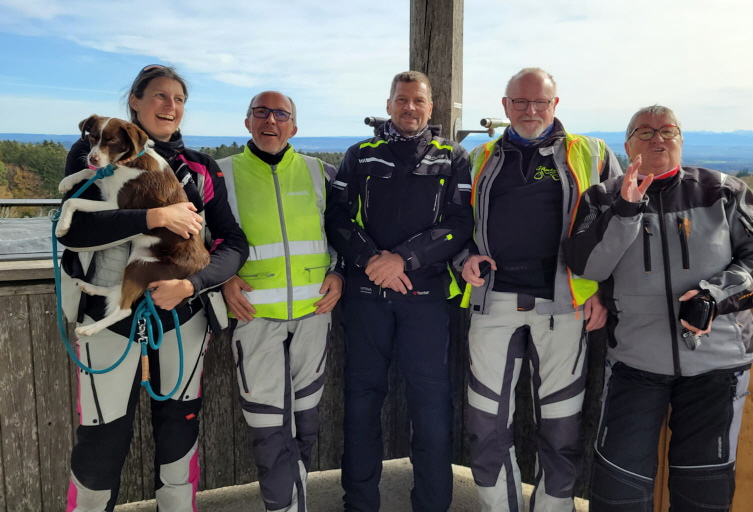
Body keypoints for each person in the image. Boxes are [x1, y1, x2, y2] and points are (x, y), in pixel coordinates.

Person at [562, 105, 753, 511]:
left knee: (704, 490)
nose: (658, 139)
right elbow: (586, 264)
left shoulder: (724, 190)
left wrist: (714, 297)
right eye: (645, 132)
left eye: (668, 131)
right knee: (618, 487)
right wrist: (626, 211)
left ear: (681, 140)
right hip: (634, 363)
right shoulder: (602, 197)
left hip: (717, 364)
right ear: (628, 145)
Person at [58, 65, 248, 512]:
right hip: (106, 315)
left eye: (179, 99)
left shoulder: (200, 167)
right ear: (135, 102)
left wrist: (191, 284)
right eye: (160, 95)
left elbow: (233, 242)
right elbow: (74, 231)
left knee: (179, 427)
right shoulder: (92, 150)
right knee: (102, 434)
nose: (170, 106)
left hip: (182, 312)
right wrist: (154, 217)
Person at [458, 67, 621, 512]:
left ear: (555, 104)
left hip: (564, 304)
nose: (531, 110)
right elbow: (456, 224)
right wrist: (463, 257)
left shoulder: (592, 152)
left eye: (540, 102)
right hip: (494, 302)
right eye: (520, 102)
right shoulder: (479, 157)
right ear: (505, 105)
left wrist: (603, 291)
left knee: (561, 427)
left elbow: (620, 226)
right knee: (485, 424)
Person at [326, 71, 474, 511]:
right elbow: (336, 217)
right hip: (366, 297)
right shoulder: (360, 155)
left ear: (431, 107)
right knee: (361, 405)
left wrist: (404, 259)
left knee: (431, 408)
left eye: (418, 101)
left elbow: (461, 223)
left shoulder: (453, 157)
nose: (410, 108)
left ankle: (432, 504)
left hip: (425, 301)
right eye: (402, 100)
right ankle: (359, 505)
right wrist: (374, 261)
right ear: (389, 104)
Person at [219, 91, 343, 511]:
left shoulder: (319, 172)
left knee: (306, 424)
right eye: (261, 112)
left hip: (313, 317)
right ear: (247, 121)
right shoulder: (221, 175)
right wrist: (223, 280)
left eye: (280, 114)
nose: (270, 120)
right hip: (254, 319)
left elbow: (343, 232)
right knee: (269, 430)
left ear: (294, 126)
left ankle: (295, 503)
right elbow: (199, 240)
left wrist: (340, 273)